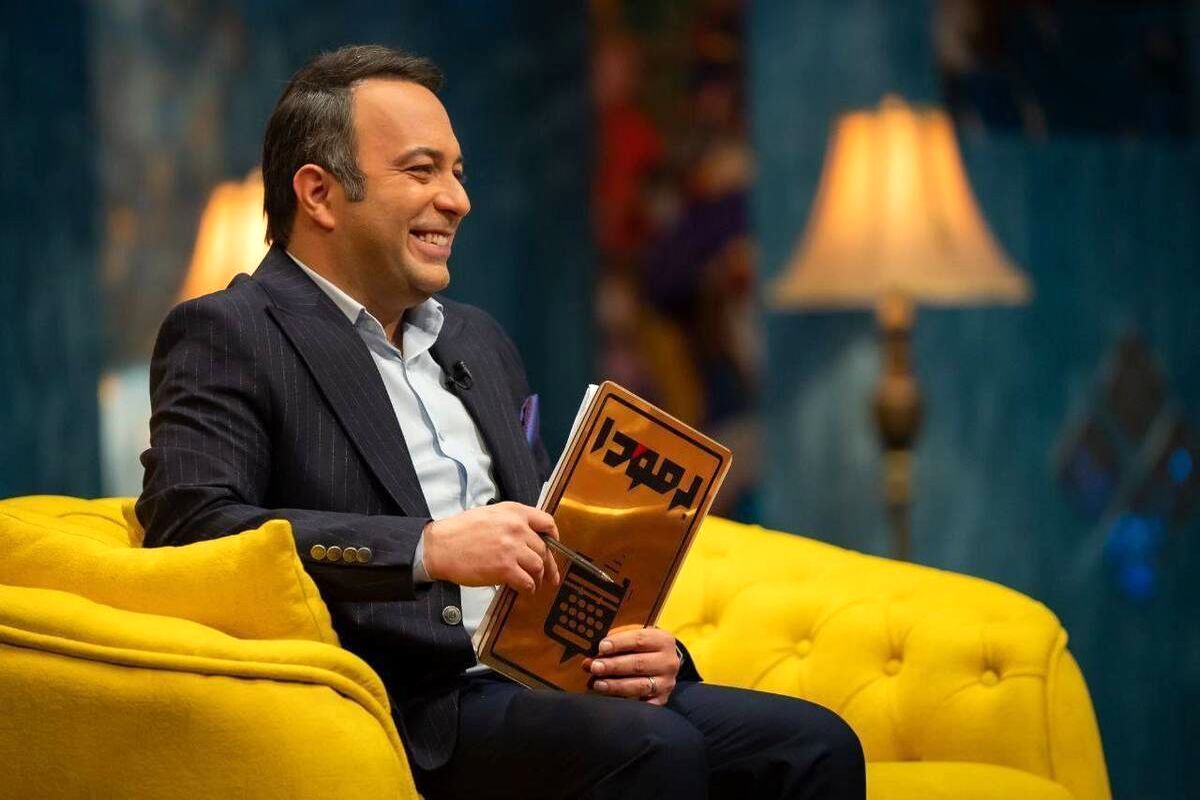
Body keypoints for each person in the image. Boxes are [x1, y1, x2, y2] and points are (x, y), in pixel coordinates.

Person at [138, 44, 864, 799]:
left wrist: (628, 645)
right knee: (653, 747)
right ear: (319, 194)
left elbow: (550, 538)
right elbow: (191, 527)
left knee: (813, 746)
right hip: (414, 706)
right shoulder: (230, 331)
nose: (457, 200)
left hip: (549, 678)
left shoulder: (476, 339)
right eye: (422, 171)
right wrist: (426, 548)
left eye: (458, 173)